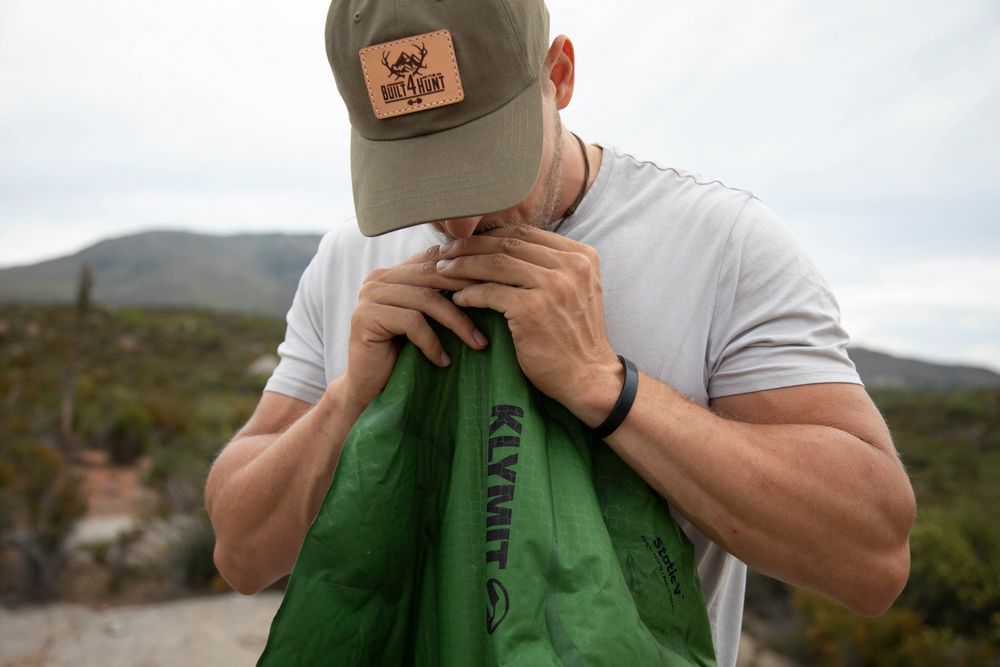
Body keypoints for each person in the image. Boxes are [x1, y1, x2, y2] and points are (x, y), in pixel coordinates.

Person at [204, 0, 916, 664]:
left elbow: (872, 558)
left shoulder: (721, 246)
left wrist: (605, 385)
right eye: (417, 177)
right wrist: (346, 403)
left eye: (484, 164)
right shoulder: (345, 262)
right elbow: (240, 553)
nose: (457, 224)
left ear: (559, 76)